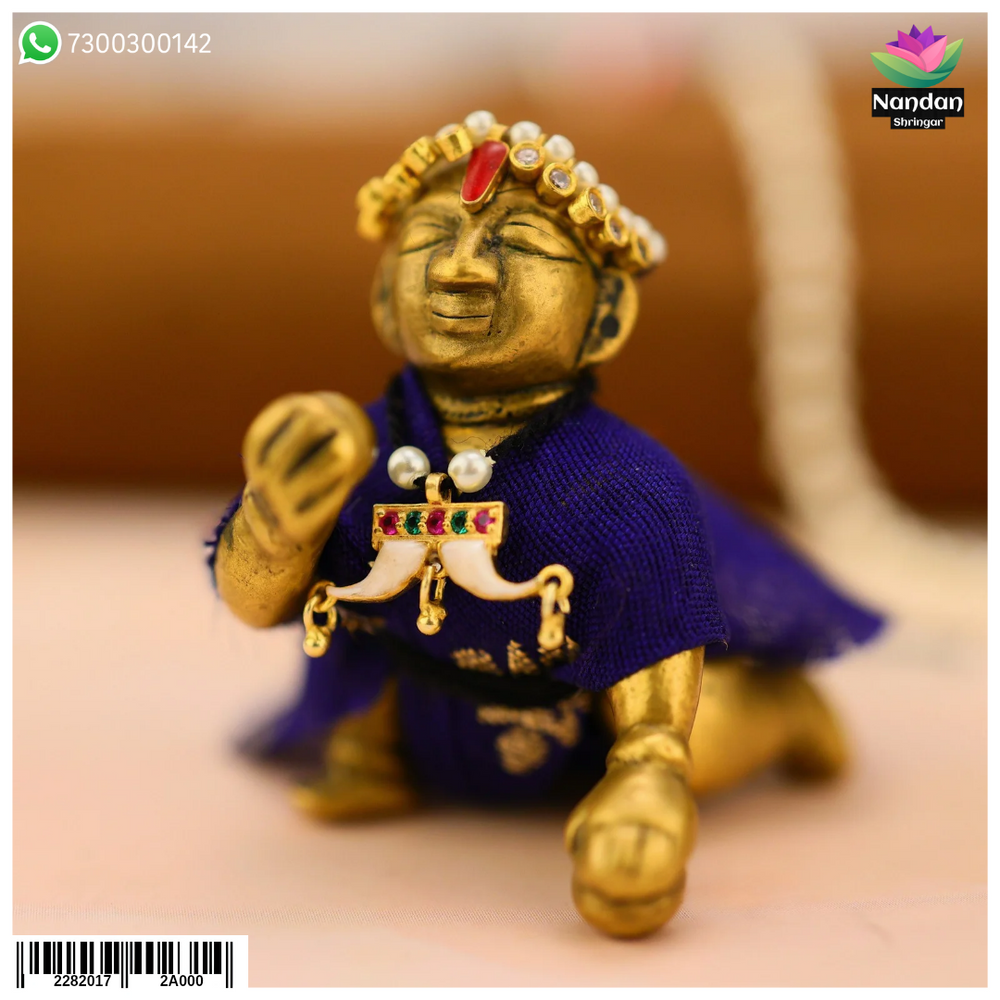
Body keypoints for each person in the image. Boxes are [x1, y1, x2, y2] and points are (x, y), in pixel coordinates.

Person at [209, 112, 882, 938]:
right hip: (419, 708)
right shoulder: (351, 448)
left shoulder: (625, 486)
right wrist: (274, 525)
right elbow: (257, 604)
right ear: (384, 295)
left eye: (517, 247)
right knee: (360, 670)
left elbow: (653, 678)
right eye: (430, 241)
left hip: (579, 724)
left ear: (606, 314)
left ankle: (784, 708)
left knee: (703, 740)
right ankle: (376, 759)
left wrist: (646, 782)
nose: (459, 270)